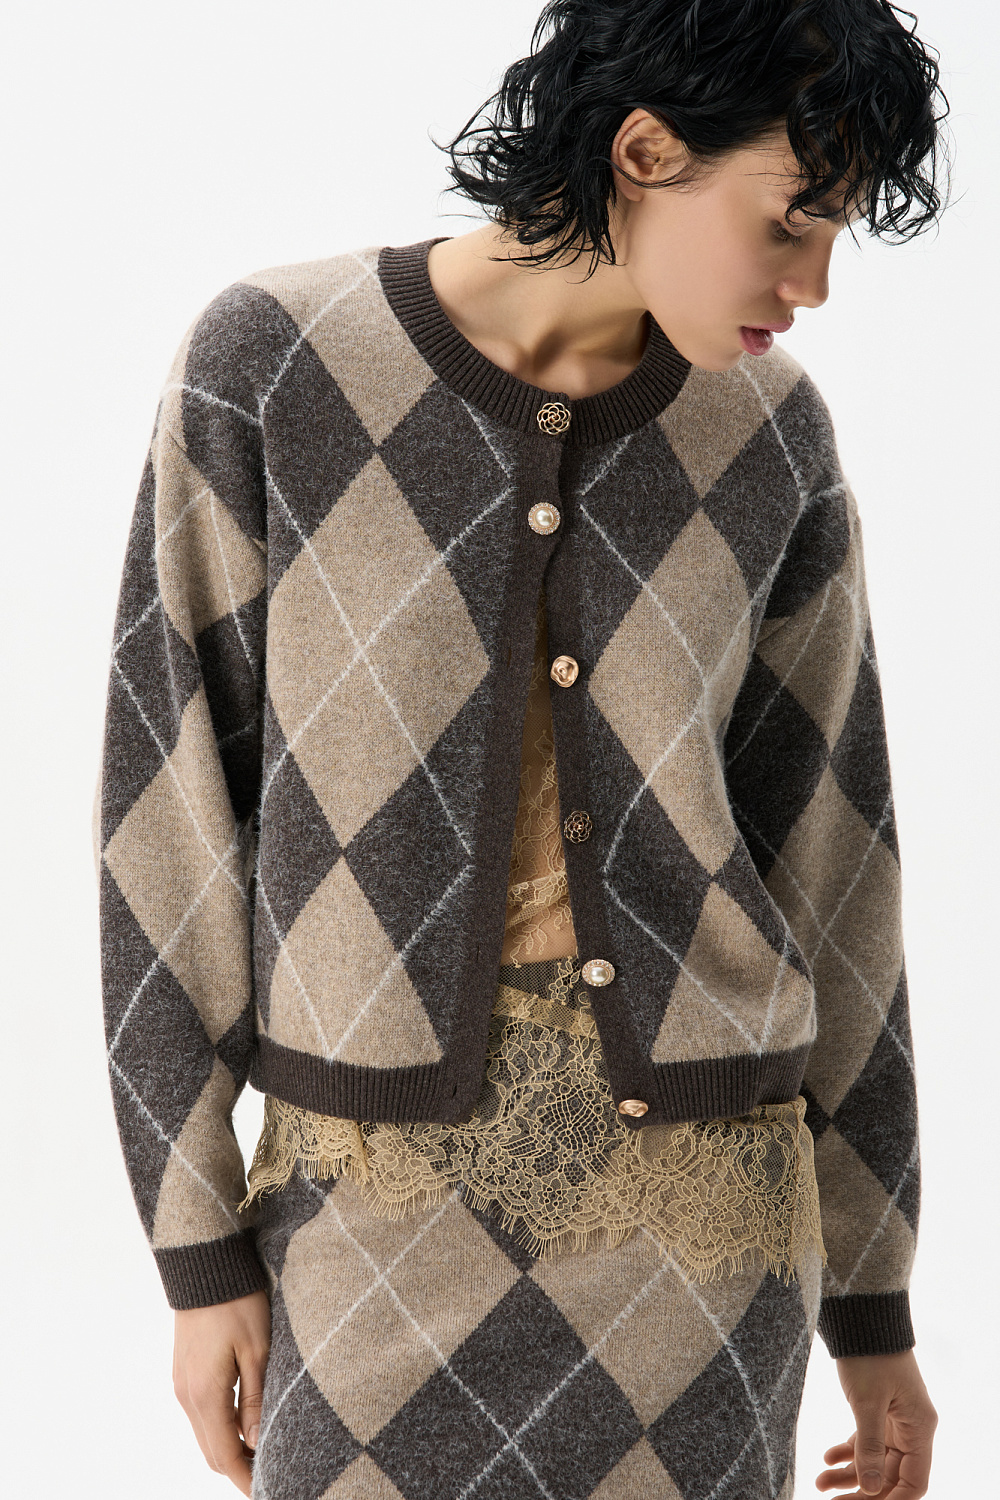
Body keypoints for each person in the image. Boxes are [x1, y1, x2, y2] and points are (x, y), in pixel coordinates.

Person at [94, 1, 949, 1496]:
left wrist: (874, 1309)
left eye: (837, 234)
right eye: (791, 220)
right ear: (647, 151)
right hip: (367, 1209)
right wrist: (196, 1249)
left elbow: (836, 866)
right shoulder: (276, 366)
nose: (814, 284)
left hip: (707, 1238)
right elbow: (166, 819)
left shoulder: (768, 436)